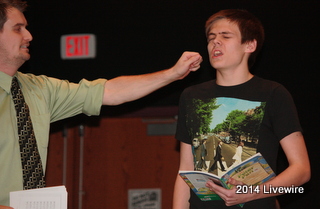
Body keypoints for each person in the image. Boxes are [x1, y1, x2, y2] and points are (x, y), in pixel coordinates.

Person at [0, 0, 202, 207]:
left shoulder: (38, 89)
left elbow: (110, 91)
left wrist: (172, 74)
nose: (29, 36)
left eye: (26, 27)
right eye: (18, 29)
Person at [173, 9, 310, 209]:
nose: (215, 42)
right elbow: (185, 170)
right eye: (211, 37)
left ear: (250, 45)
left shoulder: (273, 93)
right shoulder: (191, 96)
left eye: (225, 36)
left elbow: (302, 171)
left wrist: (248, 194)